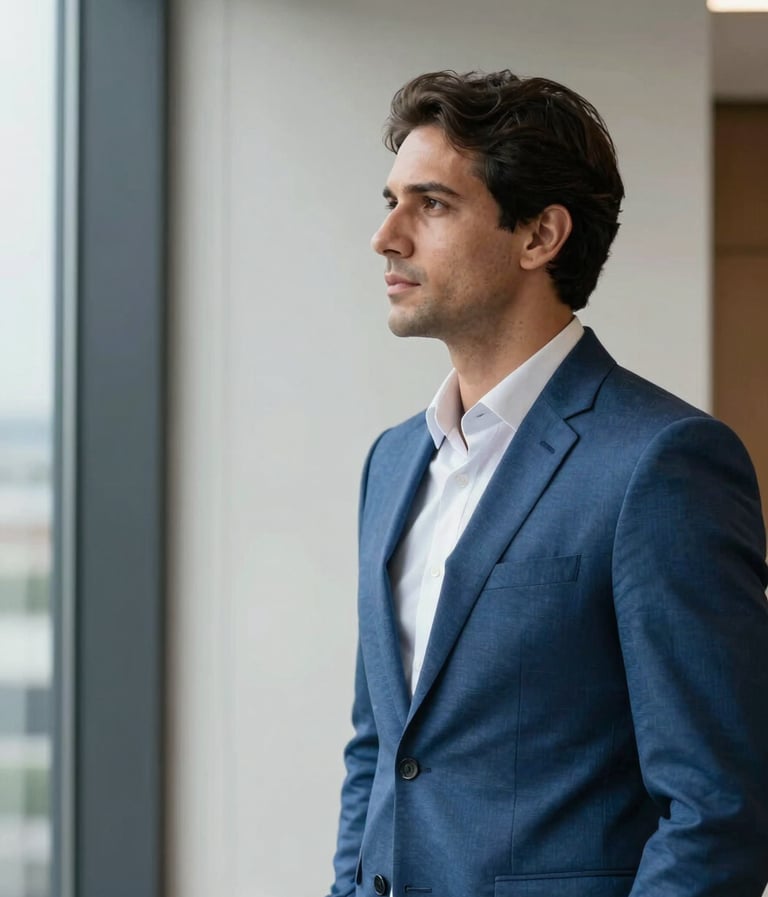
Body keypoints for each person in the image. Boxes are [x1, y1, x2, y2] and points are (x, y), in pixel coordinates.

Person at [326, 70, 768, 897]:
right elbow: (379, 751)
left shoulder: (664, 463)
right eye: (391, 200)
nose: (387, 235)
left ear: (540, 236)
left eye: (432, 204)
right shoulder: (391, 464)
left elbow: (717, 809)